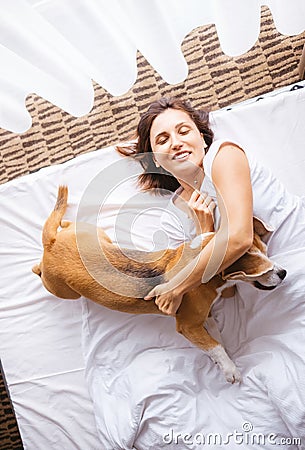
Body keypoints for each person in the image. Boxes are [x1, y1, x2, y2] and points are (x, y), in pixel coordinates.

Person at [118, 96, 305, 316]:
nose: (176, 142)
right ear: (156, 159)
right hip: (263, 301)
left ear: (202, 139)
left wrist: (176, 286)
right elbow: (225, 293)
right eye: (162, 140)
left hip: (298, 253)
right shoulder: (171, 220)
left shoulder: (223, 155)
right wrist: (204, 233)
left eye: (184, 131)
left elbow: (239, 238)